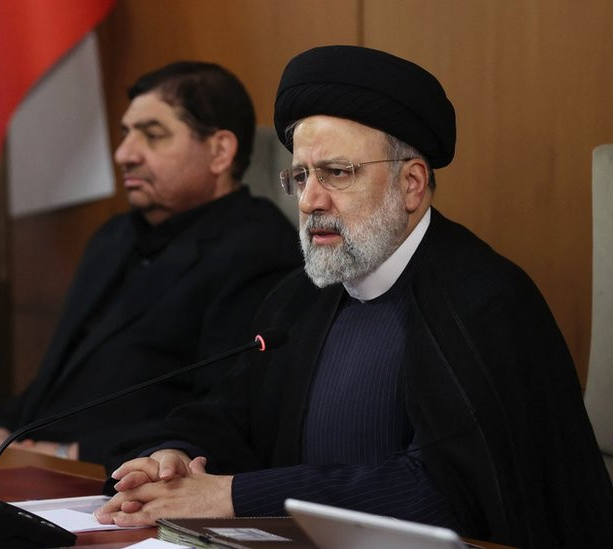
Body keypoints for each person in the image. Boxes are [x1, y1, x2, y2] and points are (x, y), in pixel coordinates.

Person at [96, 45, 613, 548]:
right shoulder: (298, 298)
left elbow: (444, 491)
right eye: (300, 176)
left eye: (336, 174)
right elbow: (235, 415)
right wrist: (177, 456)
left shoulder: (485, 301)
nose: (310, 200)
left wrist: (233, 493)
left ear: (411, 184)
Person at [0, 61, 302, 464]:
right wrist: (4, 429)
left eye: (152, 136)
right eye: (125, 134)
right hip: (33, 462)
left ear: (220, 151)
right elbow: (62, 372)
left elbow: (226, 409)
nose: (124, 154)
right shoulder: (115, 235)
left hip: (124, 474)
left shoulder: (257, 248)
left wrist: (73, 452)